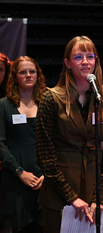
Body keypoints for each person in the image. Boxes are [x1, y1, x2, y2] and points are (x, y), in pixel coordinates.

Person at [36, 36, 103, 232]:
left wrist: (102, 196)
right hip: (60, 189)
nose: (85, 62)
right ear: (67, 63)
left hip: (95, 189)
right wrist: (71, 197)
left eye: (90, 56)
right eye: (78, 57)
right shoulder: (51, 98)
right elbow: (44, 155)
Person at [0, 56, 46, 232]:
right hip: (14, 180)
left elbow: (56, 142)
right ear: (15, 76)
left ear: (38, 75)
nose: (28, 75)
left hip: (42, 180)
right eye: (23, 72)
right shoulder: (3, 105)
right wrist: (19, 172)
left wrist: (47, 175)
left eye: (32, 71)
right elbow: (0, 143)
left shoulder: (47, 104)